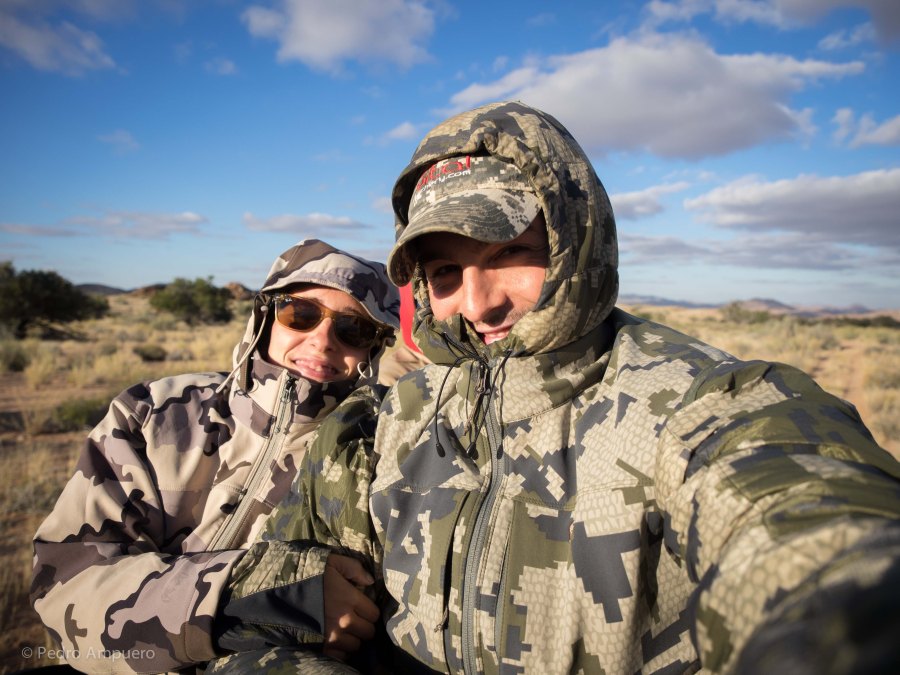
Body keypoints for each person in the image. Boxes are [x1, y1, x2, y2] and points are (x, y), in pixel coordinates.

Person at [215, 101, 900, 674]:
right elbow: (266, 611)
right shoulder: (377, 430)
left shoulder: (698, 406)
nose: (477, 303)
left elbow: (818, 541)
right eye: (446, 272)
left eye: (510, 253)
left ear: (577, 239)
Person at [29, 239, 401, 673]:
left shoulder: (382, 449)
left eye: (354, 329)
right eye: (300, 314)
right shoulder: (154, 413)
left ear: (374, 348)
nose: (321, 342)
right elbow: (66, 592)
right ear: (265, 317)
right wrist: (258, 592)